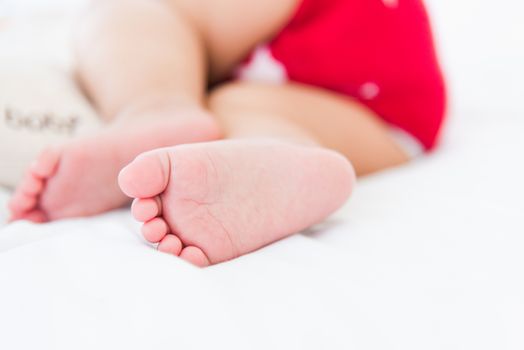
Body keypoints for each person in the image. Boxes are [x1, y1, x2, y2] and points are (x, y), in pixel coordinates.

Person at [9, 0, 446, 266]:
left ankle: (154, 106)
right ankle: (281, 159)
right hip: (389, 108)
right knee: (244, 112)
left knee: (128, 12)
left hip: (319, 20)